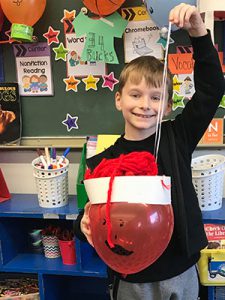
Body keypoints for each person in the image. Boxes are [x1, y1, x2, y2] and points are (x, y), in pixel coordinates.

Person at [74, 3, 225, 300]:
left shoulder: (177, 137)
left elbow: (211, 90)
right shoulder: (103, 159)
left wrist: (197, 31)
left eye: (156, 97)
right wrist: (82, 224)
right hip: (130, 278)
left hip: (180, 271)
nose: (145, 104)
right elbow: (91, 214)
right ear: (119, 99)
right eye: (135, 94)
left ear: (168, 106)